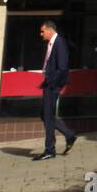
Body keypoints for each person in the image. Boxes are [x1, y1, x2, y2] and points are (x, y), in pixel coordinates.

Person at [34, 20, 76, 161]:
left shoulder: (60, 43)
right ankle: (69, 134)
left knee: (47, 115)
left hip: (54, 84)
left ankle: (49, 150)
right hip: (49, 83)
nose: (41, 34)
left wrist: (52, 83)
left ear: (50, 30)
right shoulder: (52, 43)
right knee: (46, 115)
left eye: (42, 31)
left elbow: (63, 67)